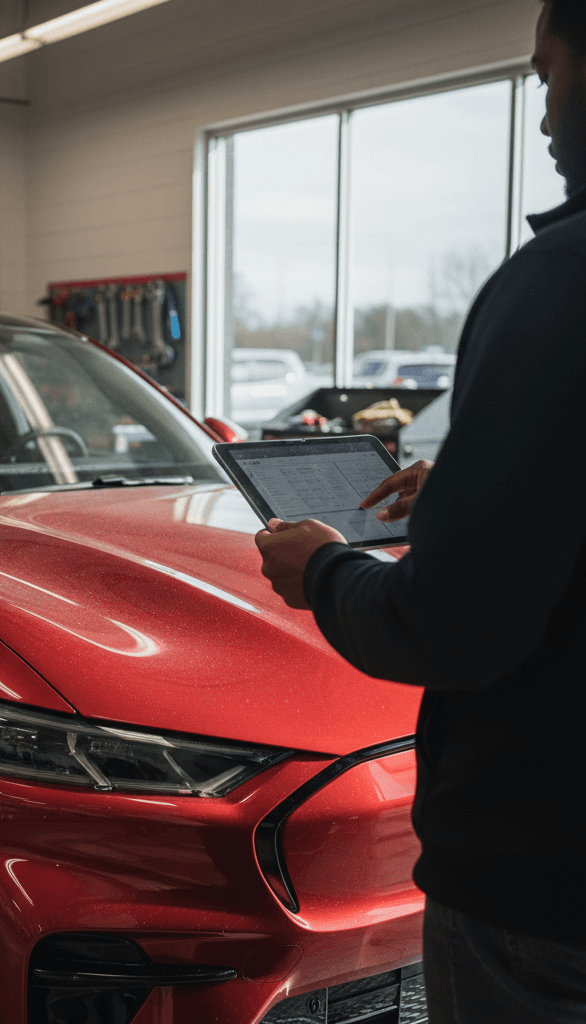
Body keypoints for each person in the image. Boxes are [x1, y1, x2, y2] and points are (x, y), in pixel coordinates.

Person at [253, 3, 586, 1021]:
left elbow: (452, 624)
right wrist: (485, 489)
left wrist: (320, 571)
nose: (538, 118)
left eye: (543, 76)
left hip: (543, 889)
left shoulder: (555, 287)